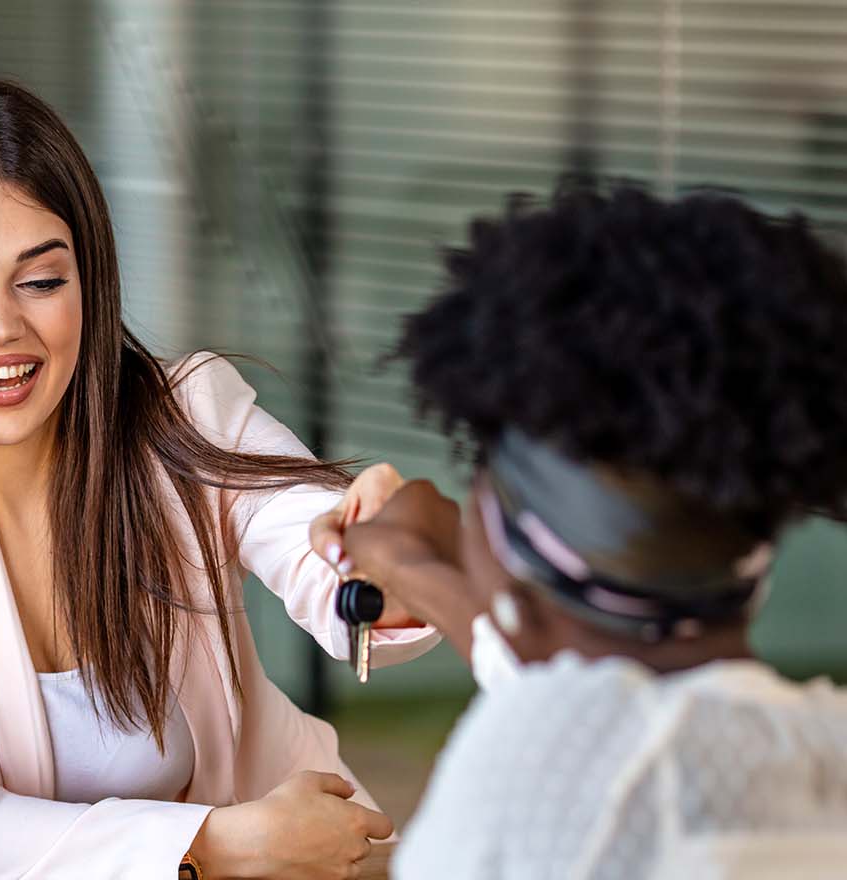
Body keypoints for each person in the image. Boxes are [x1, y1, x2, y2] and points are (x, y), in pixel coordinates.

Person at [0, 79, 440, 880]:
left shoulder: (185, 408)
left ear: (89, 280)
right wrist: (216, 848)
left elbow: (315, 545)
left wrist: (382, 565)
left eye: (41, 281)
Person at [312, 183, 847, 878]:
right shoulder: (818, 748)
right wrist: (416, 565)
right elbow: (595, 688)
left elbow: (569, 738)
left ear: (505, 540)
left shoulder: (528, 778)